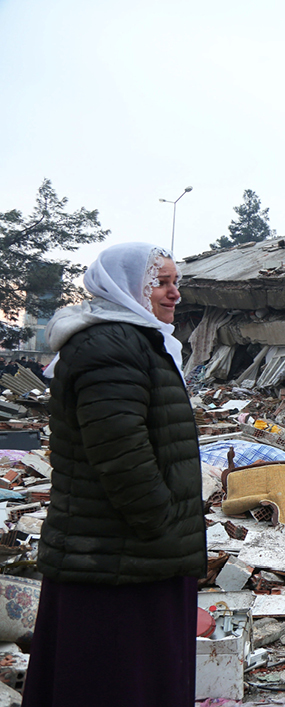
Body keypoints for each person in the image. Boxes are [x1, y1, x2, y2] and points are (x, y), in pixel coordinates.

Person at [22, 242, 206, 707]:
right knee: (114, 677)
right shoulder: (109, 345)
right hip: (118, 556)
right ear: (127, 287)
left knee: (127, 675)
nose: (173, 294)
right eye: (160, 284)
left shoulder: (136, 339)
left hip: (129, 551)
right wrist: (161, 525)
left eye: (175, 282)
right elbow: (120, 452)